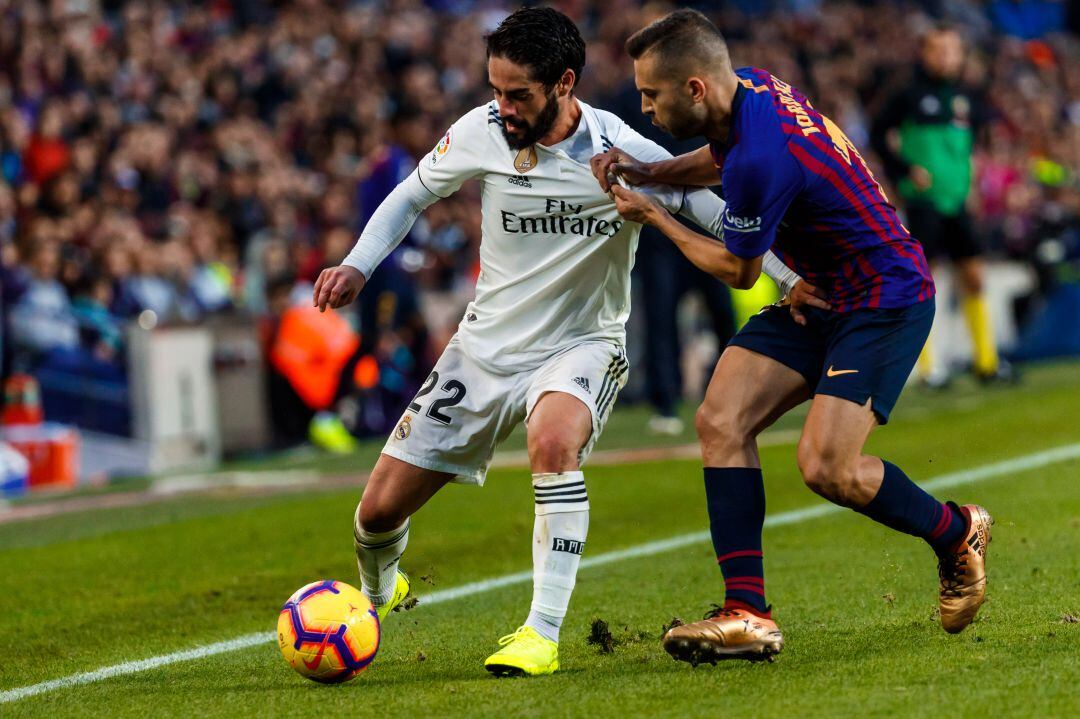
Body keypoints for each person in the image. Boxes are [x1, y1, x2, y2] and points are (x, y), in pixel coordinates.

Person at [313, 8, 814, 677]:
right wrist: (356, 264)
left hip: (583, 343)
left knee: (553, 442)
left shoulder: (617, 150)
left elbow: (717, 212)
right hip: (483, 351)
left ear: (564, 83)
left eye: (517, 94)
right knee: (375, 514)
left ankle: (539, 633)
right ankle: (377, 596)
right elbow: (409, 196)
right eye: (495, 90)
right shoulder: (479, 132)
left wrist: (793, 277)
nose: (503, 107)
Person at [591, 9, 992, 665]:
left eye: (650, 96)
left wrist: (653, 216)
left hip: (884, 297)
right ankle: (747, 610)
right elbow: (717, 158)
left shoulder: (762, 154)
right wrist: (653, 171)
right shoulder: (748, 88)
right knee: (721, 418)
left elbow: (737, 268)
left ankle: (956, 530)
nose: (643, 108)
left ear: (694, 88)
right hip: (823, 289)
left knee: (827, 466)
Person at [871, 26, 1009, 386]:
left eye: (953, 50)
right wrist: (904, 170)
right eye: (939, 50)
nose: (946, 57)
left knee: (975, 277)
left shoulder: (968, 96)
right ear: (925, 53)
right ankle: (929, 369)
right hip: (923, 200)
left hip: (957, 199)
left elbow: (971, 144)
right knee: (924, 280)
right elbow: (877, 133)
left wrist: (971, 180)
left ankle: (987, 363)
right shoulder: (907, 94)